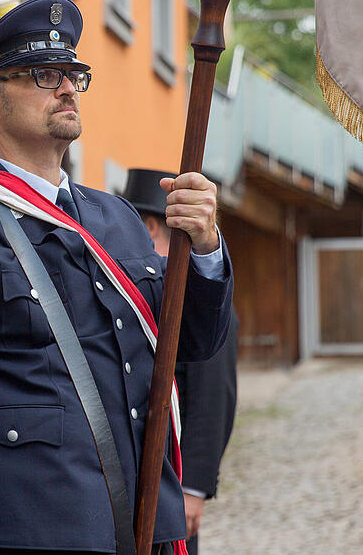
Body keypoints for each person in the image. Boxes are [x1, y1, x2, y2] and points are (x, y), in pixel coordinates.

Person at [0, 0, 234, 555]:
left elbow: (192, 343)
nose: (67, 88)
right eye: (43, 74)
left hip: (144, 519)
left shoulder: (118, 218)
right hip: (36, 524)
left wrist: (205, 247)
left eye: (74, 74)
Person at [123, 168, 239, 555]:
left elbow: (211, 398)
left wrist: (194, 488)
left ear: (153, 227)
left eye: (135, 225)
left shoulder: (198, 299)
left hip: (176, 478)